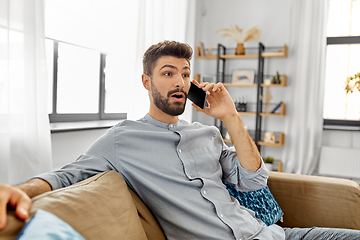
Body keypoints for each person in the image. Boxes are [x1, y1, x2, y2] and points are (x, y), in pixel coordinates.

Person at [0, 40, 359, 240]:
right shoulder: (122, 140)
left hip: (273, 236)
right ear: (146, 82)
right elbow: (66, 175)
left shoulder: (207, 132)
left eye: (185, 74)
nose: (179, 82)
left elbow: (252, 180)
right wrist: (16, 188)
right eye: (168, 73)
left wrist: (230, 117)